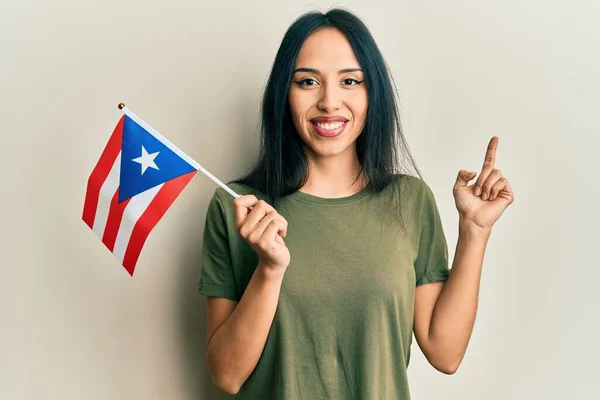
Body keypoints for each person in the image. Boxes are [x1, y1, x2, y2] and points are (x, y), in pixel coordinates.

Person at [197, 7, 514, 399]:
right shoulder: (239, 207)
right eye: (308, 81)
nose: (330, 102)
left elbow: (445, 352)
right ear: (284, 94)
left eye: (350, 81)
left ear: (372, 93)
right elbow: (227, 376)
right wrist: (269, 270)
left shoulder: (410, 201)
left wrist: (475, 231)